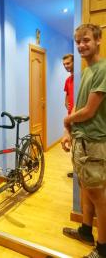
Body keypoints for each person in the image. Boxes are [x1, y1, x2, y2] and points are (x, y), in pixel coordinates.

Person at [61, 23, 106, 258]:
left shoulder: (103, 68)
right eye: (78, 41)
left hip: (94, 142)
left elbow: (89, 111)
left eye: (86, 40)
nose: (81, 45)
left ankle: (103, 248)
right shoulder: (86, 71)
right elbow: (78, 105)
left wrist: (67, 120)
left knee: (98, 195)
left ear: (98, 40)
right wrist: (68, 129)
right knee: (85, 188)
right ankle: (86, 231)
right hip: (81, 140)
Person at [63, 53, 74, 178]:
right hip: (71, 116)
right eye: (64, 64)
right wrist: (68, 106)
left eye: (68, 63)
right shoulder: (68, 80)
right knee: (72, 144)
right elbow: (66, 96)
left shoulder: (80, 78)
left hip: (78, 117)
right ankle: (75, 170)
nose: (66, 66)